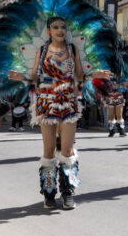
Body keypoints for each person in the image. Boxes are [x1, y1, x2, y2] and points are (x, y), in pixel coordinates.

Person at [8, 16, 112, 209]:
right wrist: (20, 77)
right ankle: (48, 193)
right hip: (47, 102)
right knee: (48, 151)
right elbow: (34, 78)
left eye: (63, 27)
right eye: (55, 27)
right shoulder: (43, 50)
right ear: (49, 30)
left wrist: (93, 75)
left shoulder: (72, 49)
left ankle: (67, 192)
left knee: (67, 150)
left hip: (68, 102)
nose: (60, 30)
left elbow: (79, 77)